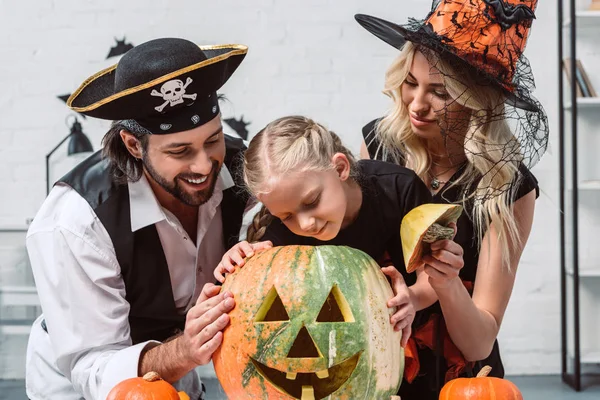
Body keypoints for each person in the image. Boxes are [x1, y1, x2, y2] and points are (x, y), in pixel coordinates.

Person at [25, 38, 264, 400]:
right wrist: (184, 349)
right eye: (180, 151)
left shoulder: (238, 168)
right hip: (84, 380)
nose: (203, 165)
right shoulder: (76, 220)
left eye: (213, 140)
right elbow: (94, 367)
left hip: (176, 369)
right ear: (133, 145)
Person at [354, 0, 548, 398]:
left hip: (459, 382)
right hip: (375, 364)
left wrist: (446, 283)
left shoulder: (507, 189)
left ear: (478, 99)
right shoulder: (378, 147)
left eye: (440, 92)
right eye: (410, 82)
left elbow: (478, 342)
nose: (416, 104)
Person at [214, 115, 437, 347]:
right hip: (322, 351)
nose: (306, 225)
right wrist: (242, 269)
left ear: (340, 168)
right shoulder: (277, 234)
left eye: (311, 202)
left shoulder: (399, 189)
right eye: (287, 216)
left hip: (403, 342)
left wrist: (413, 297)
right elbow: (254, 314)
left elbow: (434, 272)